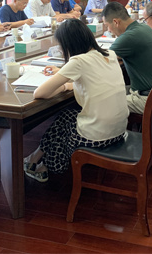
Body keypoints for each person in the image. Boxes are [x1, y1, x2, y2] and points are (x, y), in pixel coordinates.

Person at [22, 19, 128, 181]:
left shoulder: (78, 61)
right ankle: (34, 158)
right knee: (66, 116)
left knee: (62, 129)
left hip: (97, 137)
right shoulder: (109, 54)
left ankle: (47, 166)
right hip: (119, 130)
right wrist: (67, 81)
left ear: (69, 44)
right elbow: (92, 82)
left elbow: (39, 93)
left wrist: (64, 86)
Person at [102, 2, 152, 114]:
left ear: (116, 22)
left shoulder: (128, 37)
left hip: (146, 99)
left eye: (107, 25)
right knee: (110, 92)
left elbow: (100, 60)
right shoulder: (143, 27)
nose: (108, 30)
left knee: (100, 103)